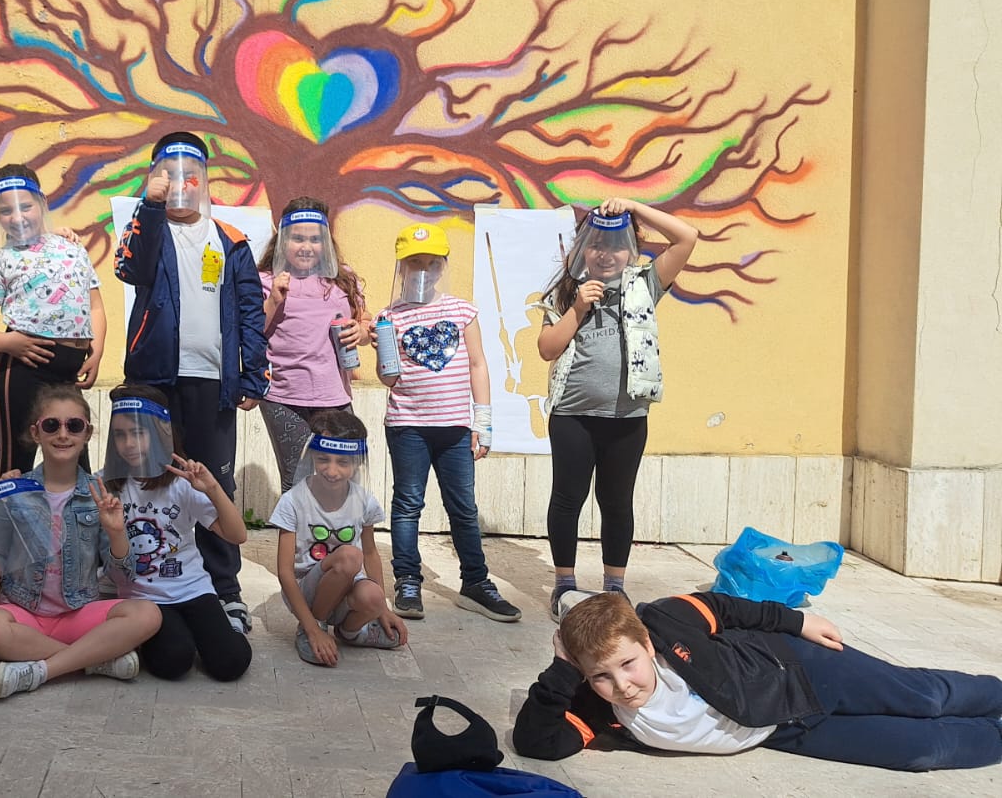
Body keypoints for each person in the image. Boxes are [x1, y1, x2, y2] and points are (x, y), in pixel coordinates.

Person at [512, 591, 1002, 772]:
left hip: (801, 670)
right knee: (921, 751)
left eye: (628, 664)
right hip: (782, 729)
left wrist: (798, 622)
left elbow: (725, 607)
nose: (622, 685)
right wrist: (563, 670)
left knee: (925, 697)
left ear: (645, 642)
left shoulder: (665, 621)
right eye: (600, 675)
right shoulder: (597, 706)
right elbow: (536, 743)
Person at [114, 131, 268, 635]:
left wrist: (253, 373)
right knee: (148, 478)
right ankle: (142, 580)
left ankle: (224, 590)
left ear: (203, 179)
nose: (180, 183)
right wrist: (150, 205)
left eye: (189, 174)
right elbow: (130, 269)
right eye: (169, 174)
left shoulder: (230, 240)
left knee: (214, 482)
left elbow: (250, 311)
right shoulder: (147, 226)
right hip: (153, 379)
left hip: (212, 382)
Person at [536, 197, 698, 619]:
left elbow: (687, 237)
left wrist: (633, 207)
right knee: (567, 498)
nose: (605, 255)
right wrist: (578, 307)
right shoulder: (564, 291)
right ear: (582, 249)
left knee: (617, 501)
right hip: (572, 415)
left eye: (616, 246)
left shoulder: (645, 283)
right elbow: (547, 348)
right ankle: (564, 584)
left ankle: (614, 587)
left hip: (627, 418)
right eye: (596, 245)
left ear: (631, 250)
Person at [0, 385, 162, 699]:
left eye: (74, 425)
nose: (62, 434)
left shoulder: (100, 494)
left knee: (148, 614)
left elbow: (123, 575)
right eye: (51, 425)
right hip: (23, 613)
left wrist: (116, 532)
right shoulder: (14, 490)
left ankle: (42, 669)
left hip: (78, 613)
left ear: (87, 433)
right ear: (36, 433)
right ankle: (93, 660)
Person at [373, 223, 518, 623]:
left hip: (455, 428)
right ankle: (407, 579)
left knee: (463, 508)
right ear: (401, 268)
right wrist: (382, 345)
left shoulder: (461, 311)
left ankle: (476, 582)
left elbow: (477, 364)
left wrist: (483, 421)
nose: (422, 270)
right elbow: (389, 378)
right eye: (414, 263)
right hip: (407, 426)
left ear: (442, 267)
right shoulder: (390, 316)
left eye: (431, 263)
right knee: (407, 504)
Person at [102, 384, 252, 681]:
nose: (129, 443)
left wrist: (213, 488)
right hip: (145, 598)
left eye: (138, 433)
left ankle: (224, 621)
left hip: (193, 589)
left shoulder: (182, 484)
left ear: (160, 432)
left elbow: (237, 535)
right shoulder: (105, 486)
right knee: (173, 661)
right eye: (120, 434)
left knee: (232, 662)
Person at [0, 165, 106, 472]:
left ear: (42, 203)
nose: (17, 217)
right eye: (6, 211)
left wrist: (97, 351)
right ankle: (10, 507)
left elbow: (96, 306)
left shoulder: (72, 248)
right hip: (22, 369)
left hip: (70, 372)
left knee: (77, 468)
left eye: (25, 206)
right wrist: (5, 343)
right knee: (15, 465)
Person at [270, 409, 408, 667]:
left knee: (373, 596)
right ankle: (314, 627)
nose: (331, 471)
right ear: (313, 456)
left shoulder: (363, 501)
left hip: (346, 584)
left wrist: (383, 610)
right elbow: (285, 572)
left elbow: (370, 553)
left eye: (343, 462)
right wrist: (312, 628)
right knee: (349, 556)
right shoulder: (293, 501)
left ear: (356, 463)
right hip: (306, 593)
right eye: (323, 459)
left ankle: (350, 632)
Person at [257, 197, 370, 493]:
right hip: (283, 397)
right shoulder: (265, 280)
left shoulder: (343, 279)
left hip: (334, 395)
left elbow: (366, 321)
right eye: (297, 238)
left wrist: (360, 331)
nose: (306, 246)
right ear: (282, 241)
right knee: (297, 481)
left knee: (342, 479)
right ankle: (295, 527)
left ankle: (337, 528)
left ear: (326, 242)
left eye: (315, 239)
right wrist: (273, 301)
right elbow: (251, 332)